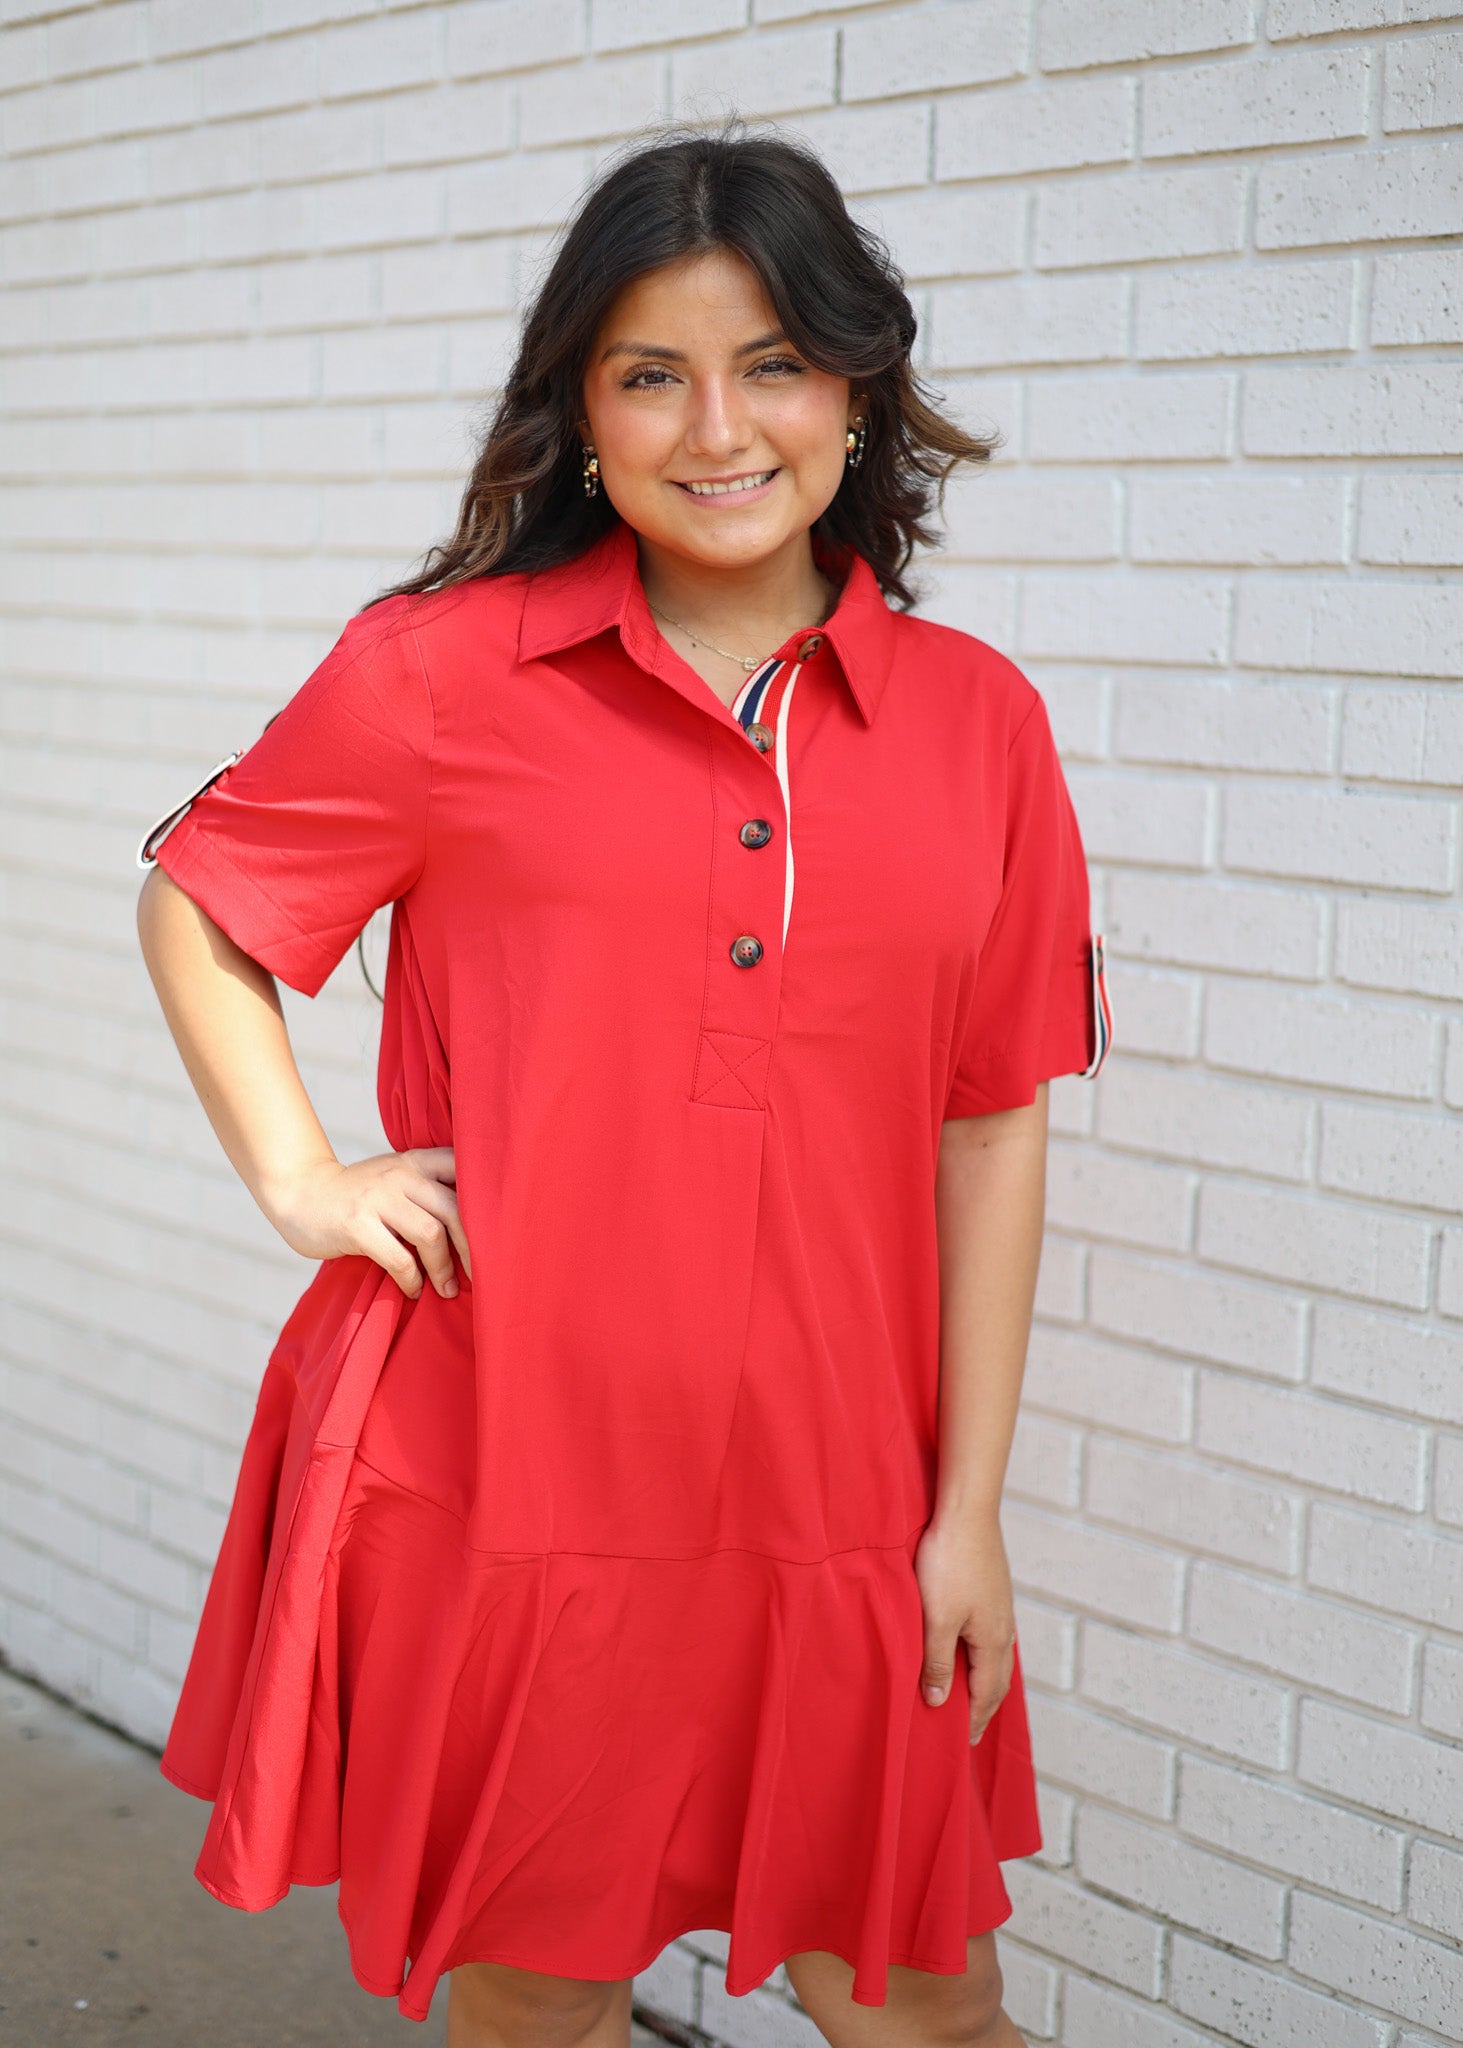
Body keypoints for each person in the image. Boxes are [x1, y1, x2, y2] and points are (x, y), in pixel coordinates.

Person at [135, 120, 1110, 2048]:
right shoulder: (442, 678)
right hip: (513, 1480)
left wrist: (965, 1511)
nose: (716, 427)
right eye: (650, 374)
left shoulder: (981, 725)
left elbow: (989, 1122)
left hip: (840, 1495)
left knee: (926, 2006)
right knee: (534, 2006)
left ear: (856, 390)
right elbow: (207, 906)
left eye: (771, 364)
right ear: (582, 411)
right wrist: (307, 1180)